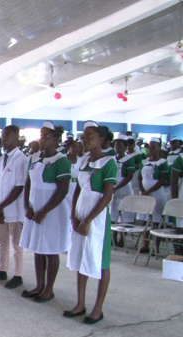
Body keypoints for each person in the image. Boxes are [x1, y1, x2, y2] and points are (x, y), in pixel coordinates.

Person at [65, 121, 116, 325]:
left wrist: (88, 220)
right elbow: (78, 188)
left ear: (101, 140)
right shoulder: (85, 160)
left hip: (97, 218)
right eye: (83, 136)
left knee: (101, 262)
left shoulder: (108, 163)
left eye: (89, 136)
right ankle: (80, 303)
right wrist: (73, 214)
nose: (84, 140)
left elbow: (107, 196)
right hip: (81, 213)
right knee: (80, 258)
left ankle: (98, 308)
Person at [20, 121, 71, 303]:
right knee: (38, 249)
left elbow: (62, 190)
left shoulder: (61, 161)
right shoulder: (34, 158)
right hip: (34, 209)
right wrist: (27, 206)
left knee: (50, 250)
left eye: (46, 136)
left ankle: (49, 289)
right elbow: (28, 183)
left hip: (52, 211)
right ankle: (39, 285)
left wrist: (44, 210)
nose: (41, 139)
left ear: (56, 139)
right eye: (41, 135)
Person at [0, 125, 28, 288]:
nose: (4, 139)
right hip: (0, 207)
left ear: (17, 137)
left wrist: (1, 206)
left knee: (16, 242)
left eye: (8, 136)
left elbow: (19, 187)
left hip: (13, 208)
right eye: (3, 135)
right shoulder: (0, 159)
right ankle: (2, 269)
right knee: (2, 241)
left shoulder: (22, 159)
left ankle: (18, 274)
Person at [137, 137, 169, 253]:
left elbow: (162, 180)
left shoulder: (163, 163)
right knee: (145, 220)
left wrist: (148, 191)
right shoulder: (145, 162)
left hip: (157, 195)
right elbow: (139, 178)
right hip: (145, 194)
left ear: (159, 148)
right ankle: (145, 244)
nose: (151, 149)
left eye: (154, 147)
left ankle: (156, 246)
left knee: (156, 221)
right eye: (150, 147)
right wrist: (142, 190)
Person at [111, 134, 136, 247]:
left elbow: (129, 176)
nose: (118, 148)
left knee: (125, 215)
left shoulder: (129, 159)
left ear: (126, 147)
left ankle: (122, 238)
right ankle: (113, 237)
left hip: (124, 188)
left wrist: (117, 187)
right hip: (113, 188)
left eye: (120, 146)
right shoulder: (113, 159)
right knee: (113, 213)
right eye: (116, 145)